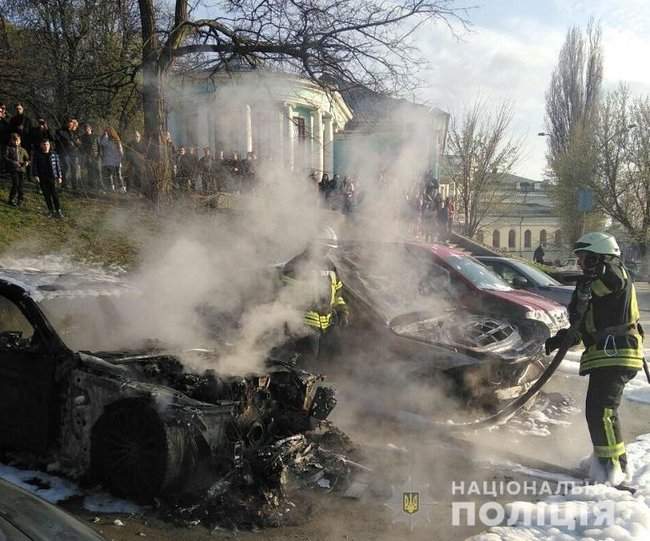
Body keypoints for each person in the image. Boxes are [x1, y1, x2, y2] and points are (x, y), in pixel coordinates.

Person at [545, 232, 644, 486]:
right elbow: (584, 324)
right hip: (608, 354)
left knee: (602, 412)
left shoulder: (614, 272)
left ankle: (611, 470)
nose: (581, 265)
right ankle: (609, 463)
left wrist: (593, 272)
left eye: (586, 259)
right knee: (599, 412)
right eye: (580, 260)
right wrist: (562, 339)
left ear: (601, 257)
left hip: (617, 353)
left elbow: (611, 280)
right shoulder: (595, 284)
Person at [281, 226, 349, 362]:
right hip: (304, 327)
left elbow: (337, 292)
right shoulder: (295, 266)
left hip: (328, 324)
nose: (327, 252)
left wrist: (342, 310)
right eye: (325, 248)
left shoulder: (329, 265)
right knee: (307, 363)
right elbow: (287, 299)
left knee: (334, 360)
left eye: (329, 249)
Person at [32, 139, 64, 218]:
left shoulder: (54, 154)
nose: (46, 146)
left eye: (47, 144)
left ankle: (58, 210)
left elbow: (58, 166)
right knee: (47, 195)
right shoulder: (37, 155)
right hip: (42, 178)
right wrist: (36, 175)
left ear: (49, 145)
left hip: (52, 177)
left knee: (55, 195)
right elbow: (34, 166)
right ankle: (50, 210)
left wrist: (59, 176)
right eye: (44, 144)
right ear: (41, 145)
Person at [5, 133, 30, 207]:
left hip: (22, 170)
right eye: (14, 141)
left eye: (17, 141)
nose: (16, 142)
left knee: (21, 185)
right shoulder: (8, 148)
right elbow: (5, 158)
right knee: (15, 184)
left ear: (20, 141)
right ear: (12, 141)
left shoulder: (22, 150)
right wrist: (13, 162)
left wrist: (27, 162)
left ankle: (20, 199)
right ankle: (11, 199)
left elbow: (28, 159)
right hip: (13, 169)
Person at [56, 117, 81, 191]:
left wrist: (76, 143)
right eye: (69, 123)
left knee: (74, 169)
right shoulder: (61, 131)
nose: (71, 124)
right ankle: (65, 184)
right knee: (66, 168)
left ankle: (75, 185)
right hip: (64, 153)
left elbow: (78, 143)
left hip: (74, 153)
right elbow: (58, 139)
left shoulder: (75, 132)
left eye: (72, 123)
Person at [99, 127, 125, 192]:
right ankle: (112, 188)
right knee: (110, 175)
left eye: (107, 132)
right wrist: (105, 136)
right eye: (106, 132)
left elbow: (120, 150)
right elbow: (102, 143)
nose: (106, 133)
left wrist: (120, 158)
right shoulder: (107, 139)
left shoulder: (115, 140)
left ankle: (121, 188)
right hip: (109, 160)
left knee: (117, 175)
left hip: (115, 161)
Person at [79, 124, 100, 190]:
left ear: (90, 128)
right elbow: (81, 147)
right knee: (90, 171)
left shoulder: (96, 136)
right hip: (87, 156)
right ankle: (91, 185)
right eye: (85, 129)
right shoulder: (82, 137)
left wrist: (99, 156)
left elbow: (99, 147)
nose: (86, 130)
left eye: (87, 128)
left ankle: (100, 185)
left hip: (96, 155)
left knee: (98, 171)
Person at [0, 104, 10, 175]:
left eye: (4, 108)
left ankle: (3, 171)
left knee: (4, 157)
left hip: (5, 142)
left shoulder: (6, 120)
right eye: (2, 109)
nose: (3, 110)